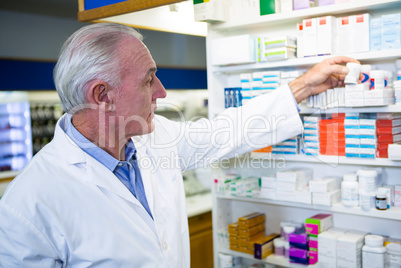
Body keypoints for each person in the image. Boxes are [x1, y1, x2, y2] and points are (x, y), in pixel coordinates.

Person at [0, 23, 359, 267]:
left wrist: (304, 87)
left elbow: (225, 132)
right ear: (102, 95)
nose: (162, 92)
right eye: (149, 80)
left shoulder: (154, 138)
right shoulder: (28, 204)